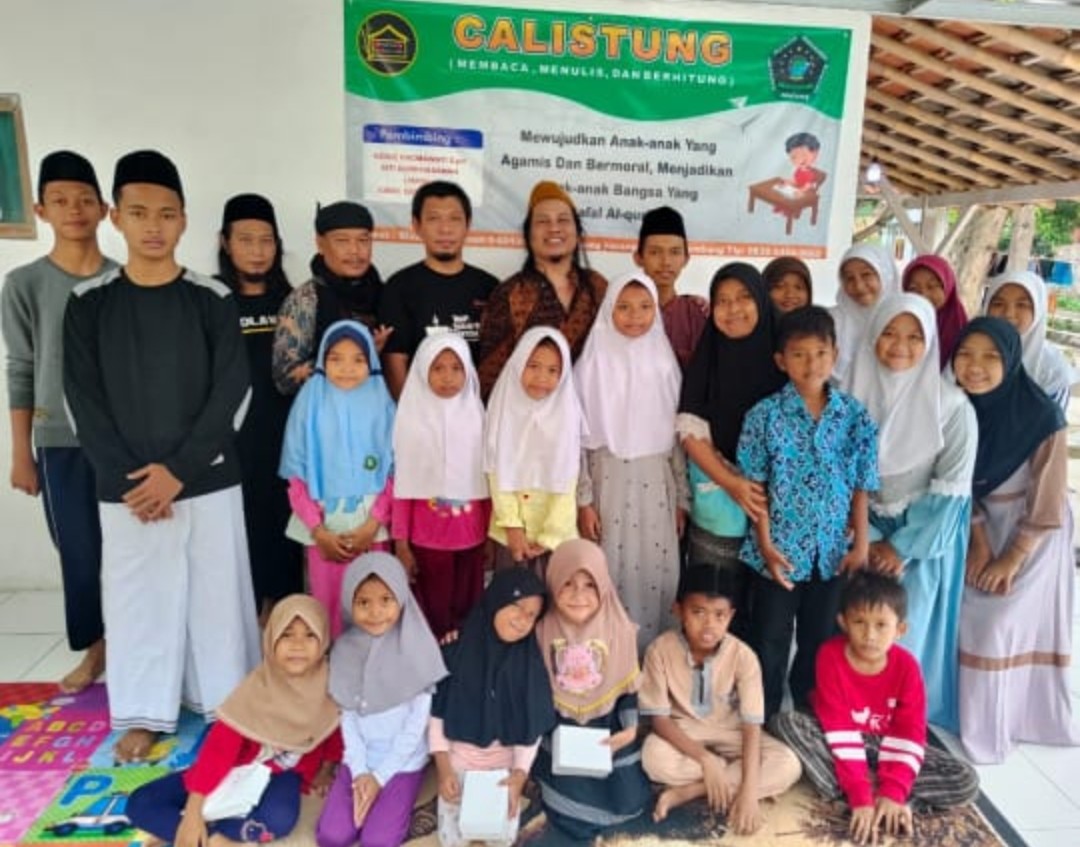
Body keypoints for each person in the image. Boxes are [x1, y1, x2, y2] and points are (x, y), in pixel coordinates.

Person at [63, 150, 260, 762]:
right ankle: (144, 711)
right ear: (116, 217)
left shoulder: (211, 298)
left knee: (216, 599)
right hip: (127, 490)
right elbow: (81, 401)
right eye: (140, 213)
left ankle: (225, 703)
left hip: (205, 480)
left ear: (184, 220)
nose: (154, 226)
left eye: (167, 214)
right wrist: (135, 481)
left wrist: (178, 471)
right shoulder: (90, 303)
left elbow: (233, 392)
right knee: (138, 600)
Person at [2, 150, 114, 693]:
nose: (74, 210)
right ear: (41, 210)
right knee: (79, 552)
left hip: (122, 439)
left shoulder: (123, 281)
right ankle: (95, 649)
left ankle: (136, 642)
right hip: (59, 440)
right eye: (61, 200)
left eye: (85, 200)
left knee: (131, 550)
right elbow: (21, 367)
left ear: (104, 209)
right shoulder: (24, 284)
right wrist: (21, 452)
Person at [738, 306, 879, 720]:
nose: (811, 363)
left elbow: (862, 485)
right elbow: (756, 487)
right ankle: (762, 718)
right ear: (781, 360)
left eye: (820, 353)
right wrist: (765, 544)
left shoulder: (854, 416)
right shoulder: (764, 416)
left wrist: (861, 545)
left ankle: (808, 714)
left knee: (821, 638)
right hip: (777, 551)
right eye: (799, 354)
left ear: (835, 354)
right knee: (769, 638)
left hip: (831, 551)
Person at [772, 572, 980, 846]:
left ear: (900, 629)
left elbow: (908, 733)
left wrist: (894, 791)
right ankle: (865, 796)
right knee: (785, 723)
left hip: (888, 743)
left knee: (966, 780)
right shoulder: (830, 655)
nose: (870, 635)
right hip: (841, 737)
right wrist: (860, 794)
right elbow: (839, 727)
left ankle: (888, 802)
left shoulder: (907, 667)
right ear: (843, 622)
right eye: (859, 622)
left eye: (881, 625)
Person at [952, 317, 1078, 763]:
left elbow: (1047, 503)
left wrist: (1010, 559)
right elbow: (958, 480)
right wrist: (979, 542)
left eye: (990, 357)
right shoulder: (956, 407)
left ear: (1010, 361)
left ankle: (1014, 720)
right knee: (963, 613)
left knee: (997, 623)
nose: (975, 367)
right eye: (965, 354)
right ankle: (964, 715)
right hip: (979, 525)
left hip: (1034, 536)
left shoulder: (1042, 417)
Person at [848, 294, 976, 731]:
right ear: (872, 335)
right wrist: (864, 536)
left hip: (919, 542)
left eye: (914, 336)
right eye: (888, 332)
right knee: (856, 627)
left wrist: (899, 548)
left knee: (904, 631)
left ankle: (897, 723)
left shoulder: (952, 407)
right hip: (859, 531)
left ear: (931, 343)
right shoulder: (850, 394)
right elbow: (837, 472)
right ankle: (852, 717)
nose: (899, 345)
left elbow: (952, 491)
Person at [127, 595, 342, 847]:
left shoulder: (328, 686)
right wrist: (194, 811)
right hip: (236, 766)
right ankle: (211, 837)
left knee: (280, 818)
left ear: (324, 641)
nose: (298, 645)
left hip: (283, 774)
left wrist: (326, 770)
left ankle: (184, 830)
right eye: (287, 634)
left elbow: (332, 730)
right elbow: (218, 751)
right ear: (271, 639)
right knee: (140, 802)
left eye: (310, 635)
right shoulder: (254, 689)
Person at [640, 563, 801, 834]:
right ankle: (726, 774)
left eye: (719, 615)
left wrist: (749, 794)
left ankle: (691, 791)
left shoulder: (743, 656)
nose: (709, 625)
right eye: (698, 612)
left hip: (732, 732)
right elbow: (660, 720)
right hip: (686, 731)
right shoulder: (660, 650)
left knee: (788, 764)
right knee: (653, 757)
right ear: (678, 610)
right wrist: (706, 759)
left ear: (731, 616)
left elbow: (751, 727)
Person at [574, 272, 688, 649]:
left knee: (655, 573)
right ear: (609, 309)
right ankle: (607, 663)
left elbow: (677, 437)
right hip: (606, 482)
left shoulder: (665, 364)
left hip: (656, 486)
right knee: (609, 570)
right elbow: (576, 440)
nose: (634, 316)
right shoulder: (591, 364)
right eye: (623, 307)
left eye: (644, 307)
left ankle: (651, 661)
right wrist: (583, 500)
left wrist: (682, 498)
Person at [677, 263, 786, 639]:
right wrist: (732, 483)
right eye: (722, 301)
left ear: (761, 301)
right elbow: (690, 429)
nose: (733, 309)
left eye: (743, 298)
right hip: (719, 495)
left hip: (778, 501)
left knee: (768, 612)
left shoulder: (786, 356)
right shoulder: (709, 354)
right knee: (715, 601)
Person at [317, 554, 447, 847]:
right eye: (363, 602)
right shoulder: (344, 650)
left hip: (402, 763)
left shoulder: (417, 649)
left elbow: (415, 730)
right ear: (349, 603)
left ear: (401, 598)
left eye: (386, 599)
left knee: (378, 841)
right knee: (332, 836)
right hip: (358, 759)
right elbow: (348, 718)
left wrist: (379, 777)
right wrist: (361, 771)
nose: (376, 612)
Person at [279, 320, 395, 638]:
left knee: (375, 601)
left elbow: (394, 471)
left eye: (358, 359)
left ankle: (374, 663)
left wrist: (372, 525)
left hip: (371, 530)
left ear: (371, 362)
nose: (347, 368)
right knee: (329, 606)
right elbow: (295, 475)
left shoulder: (382, 404)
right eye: (336, 359)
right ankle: (334, 663)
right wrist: (319, 532)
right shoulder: (309, 402)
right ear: (322, 361)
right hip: (324, 532)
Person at [218, 193, 302, 620]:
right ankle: (245, 628)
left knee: (286, 537)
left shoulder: (296, 302)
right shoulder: (212, 300)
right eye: (246, 240)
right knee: (240, 539)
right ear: (225, 242)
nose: (257, 251)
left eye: (266, 240)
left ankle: (284, 624)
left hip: (289, 440)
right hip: (233, 445)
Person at [532, 539, 651, 839]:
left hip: (608, 725)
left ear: (604, 586)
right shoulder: (541, 630)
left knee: (628, 799)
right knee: (567, 793)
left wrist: (630, 730)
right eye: (568, 584)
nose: (578, 595)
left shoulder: (620, 629)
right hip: (557, 724)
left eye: (589, 585)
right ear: (553, 582)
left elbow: (628, 691)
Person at [429, 568, 556, 847]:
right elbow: (436, 714)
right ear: (497, 599)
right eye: (517, 606)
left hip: (503, 769)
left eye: (532, 615)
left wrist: (519, 775)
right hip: (459, 763)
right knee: (453, 839)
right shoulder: (455, 653)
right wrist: (444, 769)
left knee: (500, 837)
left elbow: (531, 728)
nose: (522, 620)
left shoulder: (529, 665)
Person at [391, 334, 491, 638]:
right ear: (422, 370)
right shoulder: (410, 421)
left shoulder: (478, 419)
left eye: (456, 368)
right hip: (427, 541)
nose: (448, 377)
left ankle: (463, 661)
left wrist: (490, 535)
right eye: (438, 368)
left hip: (471, 538)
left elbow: (488, 480)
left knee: (469, 614)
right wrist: (401, 543)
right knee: (431, 614)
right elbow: (402, 487)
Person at [477, 181, 606, 398]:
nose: (554, 228)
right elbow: (490, 379)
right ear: (529, 234)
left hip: (591, 413)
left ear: (577, 231)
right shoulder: (510, 294)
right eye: (543, 221)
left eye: (563, 220)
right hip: (527, 415)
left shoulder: (598, 288)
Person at [378, 181, 497, 399]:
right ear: (416, 225)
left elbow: (499, 359)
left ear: (468, 224)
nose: (445, 229)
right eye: (434, 219)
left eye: (454, 219)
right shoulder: (399, 287)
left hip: (478, 412)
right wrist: (410, 412)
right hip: (420, 412)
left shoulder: (491, 287)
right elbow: (395, 361)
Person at [484, 327, 582, 575]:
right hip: (511, 537)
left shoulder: (567, 416)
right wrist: (513, 527)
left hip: (556, 538)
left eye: (552, 370)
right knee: (513, 593)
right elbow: (495, 472)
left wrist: (551, 535)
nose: (541, 377)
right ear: (517, 364)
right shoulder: (502, 411)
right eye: (533, 366)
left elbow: (568, 481)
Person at [272, 201, 388, 395]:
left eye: (363, 240)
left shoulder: (386, 292)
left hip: (378, 409)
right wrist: (358, 356)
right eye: (342, 241)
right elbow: (284, 379)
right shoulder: (306, 299)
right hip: (324, 410)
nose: (355, 250)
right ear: (320, 244)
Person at [982, 269, 1075, 411]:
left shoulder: (1052, 370)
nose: (1008, 314)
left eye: (1022, 305)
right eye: (998, 303)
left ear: (1038, 310)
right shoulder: (969, 351)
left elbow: (1050, 423)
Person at [632, 206, 707, 370]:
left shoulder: (697, 314)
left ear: (686, 259)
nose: (666, 262)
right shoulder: (622, 311)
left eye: (674, 252)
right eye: (655, 252)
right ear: (638, 258)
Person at [830, 243, 900, 388]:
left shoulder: (904, 321)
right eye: (849, 278)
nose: (859, 286)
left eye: (866, 275)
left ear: (885, 274)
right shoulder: (830, 321)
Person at [901, 254, 967, 368]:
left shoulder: (962, 329)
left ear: (947, 287)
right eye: (913, 288)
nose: (923, 295)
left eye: (932, 286)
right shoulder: (898, 323)